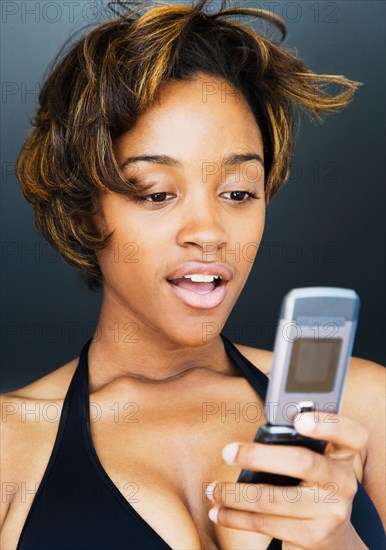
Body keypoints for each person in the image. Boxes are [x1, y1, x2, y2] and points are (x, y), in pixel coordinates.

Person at [1, 1, 384, 548]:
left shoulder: (364, 406)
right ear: (86, 210)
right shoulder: (9, 444)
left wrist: (337, 541)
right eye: (157, 193)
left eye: (238, 193)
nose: (209, 231)